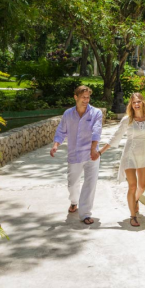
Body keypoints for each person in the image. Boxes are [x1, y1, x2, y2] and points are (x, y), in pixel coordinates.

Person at [98, 93, 145, 227]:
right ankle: (133, 216)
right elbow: (116, 137)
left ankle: (135, 200)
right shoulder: (127, 120)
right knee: (132, 185)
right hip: (129, 154)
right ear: (130, 105)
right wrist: (100, 152)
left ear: (143, 102)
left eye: (138, 101)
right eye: (133, 102)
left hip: (143, 153)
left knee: (142, 187)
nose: (136, 104)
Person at [51, 85, 103, 225]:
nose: (86, 100)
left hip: (91, 154)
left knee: (90, 184)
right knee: (72, 184)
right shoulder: (68, 114)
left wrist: (94, 149)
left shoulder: (96, 113)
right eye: (83, 97)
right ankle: (74, 202)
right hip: (74, 155)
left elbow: (96, 131)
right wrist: (56, 145)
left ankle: (85, 213)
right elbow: (61, 131)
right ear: (76, 97)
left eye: (88, 97)